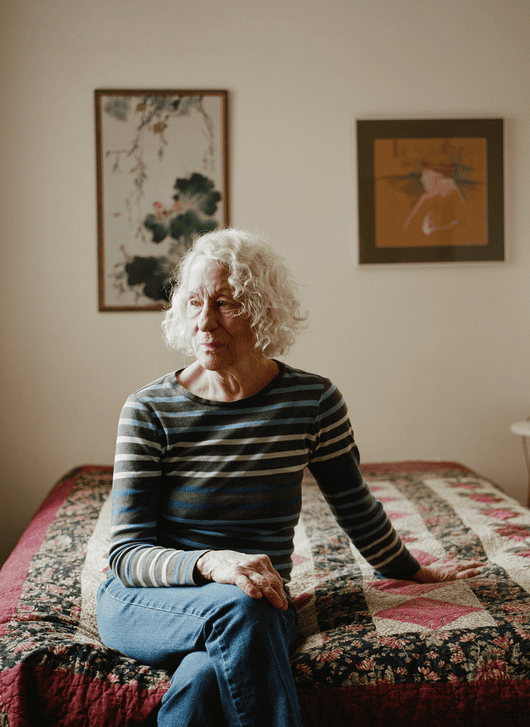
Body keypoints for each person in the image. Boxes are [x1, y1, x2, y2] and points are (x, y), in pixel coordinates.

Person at [96, 228, 481, 727]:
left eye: (226, 303)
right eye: (194, 304)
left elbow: (354, 505)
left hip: (258, 601)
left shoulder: (313, 401)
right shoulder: (149, 410)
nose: (205, 323)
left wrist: (412, 570)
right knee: (242, 608)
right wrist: (213, 563)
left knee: (204, 677)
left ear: (261, 310)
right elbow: (126, 556)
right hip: (145, 600)